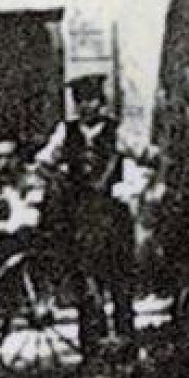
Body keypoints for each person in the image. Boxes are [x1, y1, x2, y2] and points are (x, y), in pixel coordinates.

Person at [34, 75, 136, 360]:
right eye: (80, 101)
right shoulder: (65, 133)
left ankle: (125, 346)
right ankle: (92, 350)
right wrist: (58, 176)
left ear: (101, 102)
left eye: (91, 100)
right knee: (85, 284)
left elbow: (143, 157)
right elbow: (42, 163)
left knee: (119, 283)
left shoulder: (118, 132)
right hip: (78, 215)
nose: (86, 107)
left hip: (112, 215)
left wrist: (128, 185)